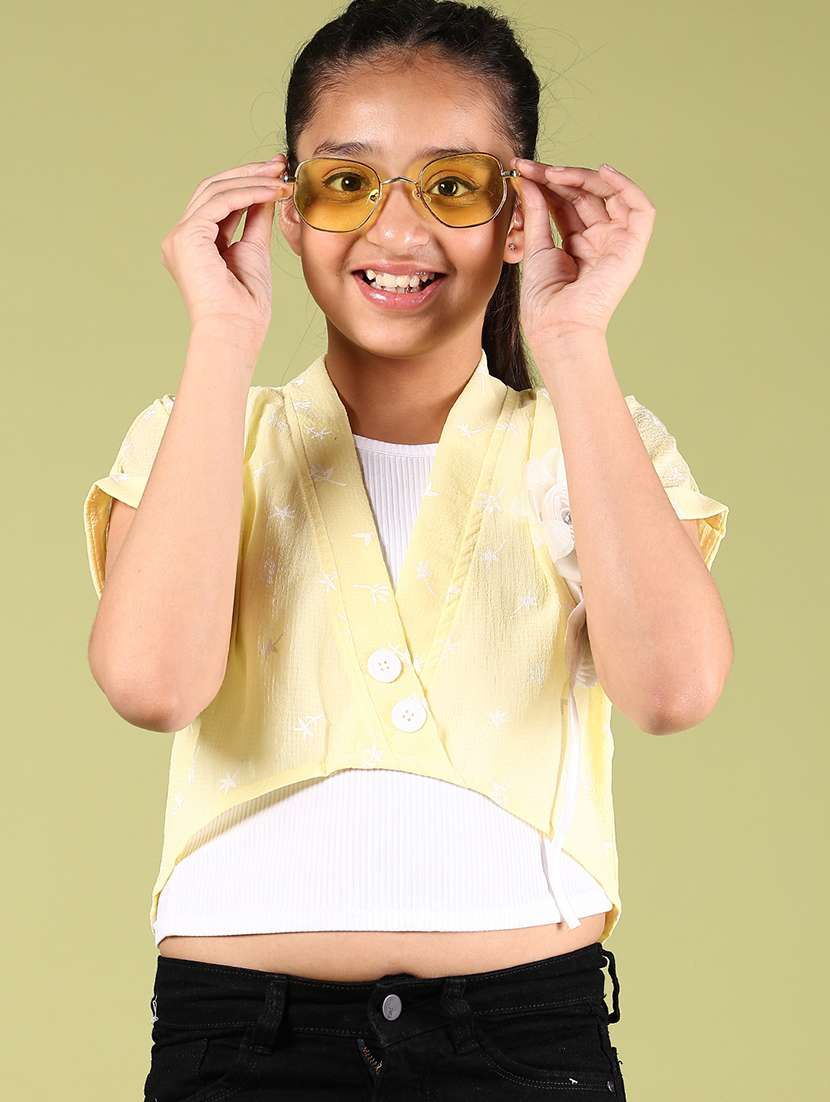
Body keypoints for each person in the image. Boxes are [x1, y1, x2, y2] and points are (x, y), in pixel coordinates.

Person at [83, 1, 732, 1097]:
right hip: (238, 1043)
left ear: (518, 214)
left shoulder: (585, 444)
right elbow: (152, 685)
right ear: (286, 206)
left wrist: (572, 337)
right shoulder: (203, 435)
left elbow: (673, 692)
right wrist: (221, 336)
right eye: (346, 182)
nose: (395, 230)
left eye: (452, 186)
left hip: (526, 1040)